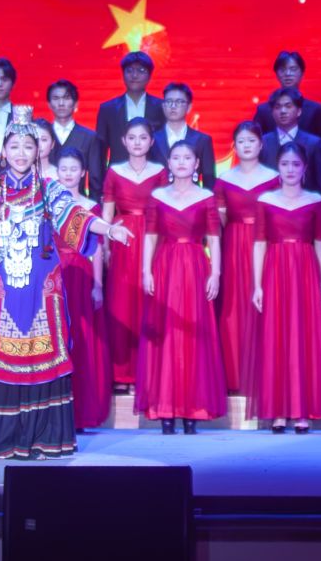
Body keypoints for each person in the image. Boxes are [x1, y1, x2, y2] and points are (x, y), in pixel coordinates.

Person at [0, 117, 133, 459]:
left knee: (44, 358)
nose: (21, 153)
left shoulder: (48, 189)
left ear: (38, 152)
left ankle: (44, 438)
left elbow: (75, 216)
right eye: (14, 146)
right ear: (3, 150)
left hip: (41, 291)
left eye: (28, 146)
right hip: (4, 291)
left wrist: (109, 230)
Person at [252, 142, 321, 431]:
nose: (290, 170)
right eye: (285, 164)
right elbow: (259, 243)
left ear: (304, 168)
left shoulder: (316, 201)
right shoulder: (265, 200)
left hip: (305, 271)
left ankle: (302, 410)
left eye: (296, 164)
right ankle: (279, 410)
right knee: (276, 335)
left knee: (304, 336)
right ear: (277, 167)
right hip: (275, 270)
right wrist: (257, 285)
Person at [140, 140, 227, 432]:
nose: (181, 162)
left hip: (195, 267)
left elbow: (214, 238)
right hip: (165, 267)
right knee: (166, 333)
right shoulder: (157, 196)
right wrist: (146, 270)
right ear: (169, 163)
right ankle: (166, 409)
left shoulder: (206, 197)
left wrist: (216, 273)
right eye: (176, 157)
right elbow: (150, 236)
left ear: (196, 164)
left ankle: (192, 411)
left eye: (187, 158)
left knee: (193, 336)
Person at [49, 145, 112, 431]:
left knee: (82, 339)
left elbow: (96, 248)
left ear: (83, 172)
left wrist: (98, 285)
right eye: (63, 169)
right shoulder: (48, 205)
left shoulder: (90, 206)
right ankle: (54, 412)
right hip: (54, 275)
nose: (68, 174)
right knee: (56, 340)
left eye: (74, 169)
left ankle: (81, 412)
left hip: (81, 275)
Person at [101, 117, 165, 386]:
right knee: (122, 302)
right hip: (122, 239)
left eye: (143, 137)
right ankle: (121, 373)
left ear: (151, 142)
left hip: (152, 238)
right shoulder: (114, 172)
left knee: (148, 300)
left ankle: (147, 373)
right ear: (123, 141)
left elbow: (165, 210)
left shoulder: (160, 171)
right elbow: (107, 212)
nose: (137, 143)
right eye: (132, 138)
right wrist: (105, 245)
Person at [215, 121, 279, 395]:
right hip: (234, 244)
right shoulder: (224, 180)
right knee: (234, 305)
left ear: (261, 145)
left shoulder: (275, 178)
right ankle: (236, 375)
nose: (246, 146)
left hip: (266, 244)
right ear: (234, 146)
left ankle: (266, 374)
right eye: (241, 141)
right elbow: (220, 219)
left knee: (266, 303)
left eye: (251, 141)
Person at [41, 78, 105, 199]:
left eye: (66, 98)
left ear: (75, 103)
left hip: (77, 204)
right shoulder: (41, 136)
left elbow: (96, 181)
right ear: (49, 104)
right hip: (43, 204)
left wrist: (91, 208)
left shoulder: (90, 137)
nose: (61, 103)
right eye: (56, 98)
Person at [250, 50, 321, 140]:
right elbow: (256, 143)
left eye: (293, 69)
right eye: (283, 70)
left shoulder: (316, 111)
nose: (288, 74)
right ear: (276, 74)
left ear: (302, 73)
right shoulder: (264, 111)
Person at [260, 87, 321, 191]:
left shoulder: (314, 144)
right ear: (272, 112)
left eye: (288, 106)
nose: (283, 111)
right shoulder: (263, 143)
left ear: (299, 111)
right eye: (277, 107)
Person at [97, 50, 160, 164]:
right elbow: (99, 152)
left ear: (150, 76)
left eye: (141, 70)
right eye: (129, 70)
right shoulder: (107, 109)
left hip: (154, 173)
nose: (134, 75)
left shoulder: (161, 107)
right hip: (117, 173)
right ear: (123, 74)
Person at [152, 82, 220, 186]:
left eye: (179, 102)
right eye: (169, 101)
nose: (173, 106)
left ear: (189, 107)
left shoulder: (202, 140)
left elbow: (209, 181)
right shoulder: (152, 139)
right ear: (163, 106)